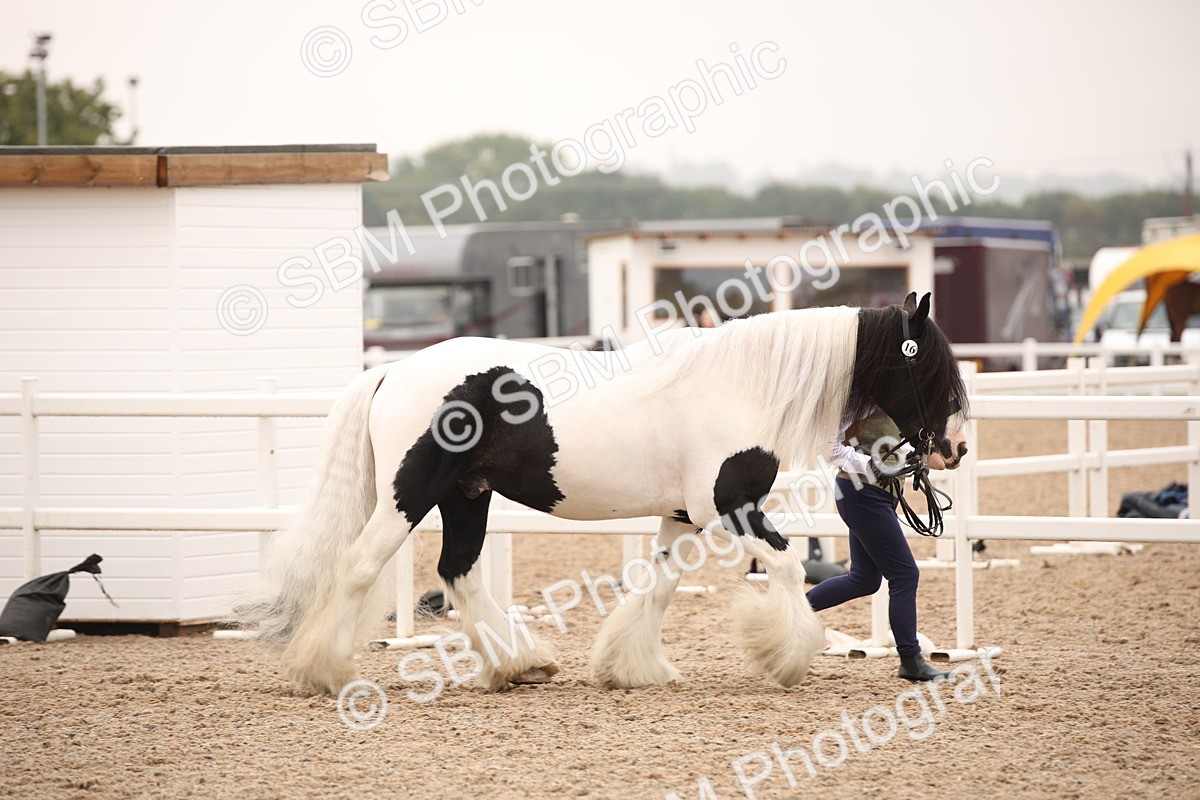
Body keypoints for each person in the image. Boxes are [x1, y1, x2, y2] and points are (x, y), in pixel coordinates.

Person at [806, 407, 951, 681]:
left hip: (881, 494)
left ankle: (792, 611)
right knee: (905, 574)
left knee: (864, 580)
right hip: (862, 494)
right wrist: (870, 465)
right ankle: (910, 660)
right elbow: (829, 447)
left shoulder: (892, 394)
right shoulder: (860, 396)